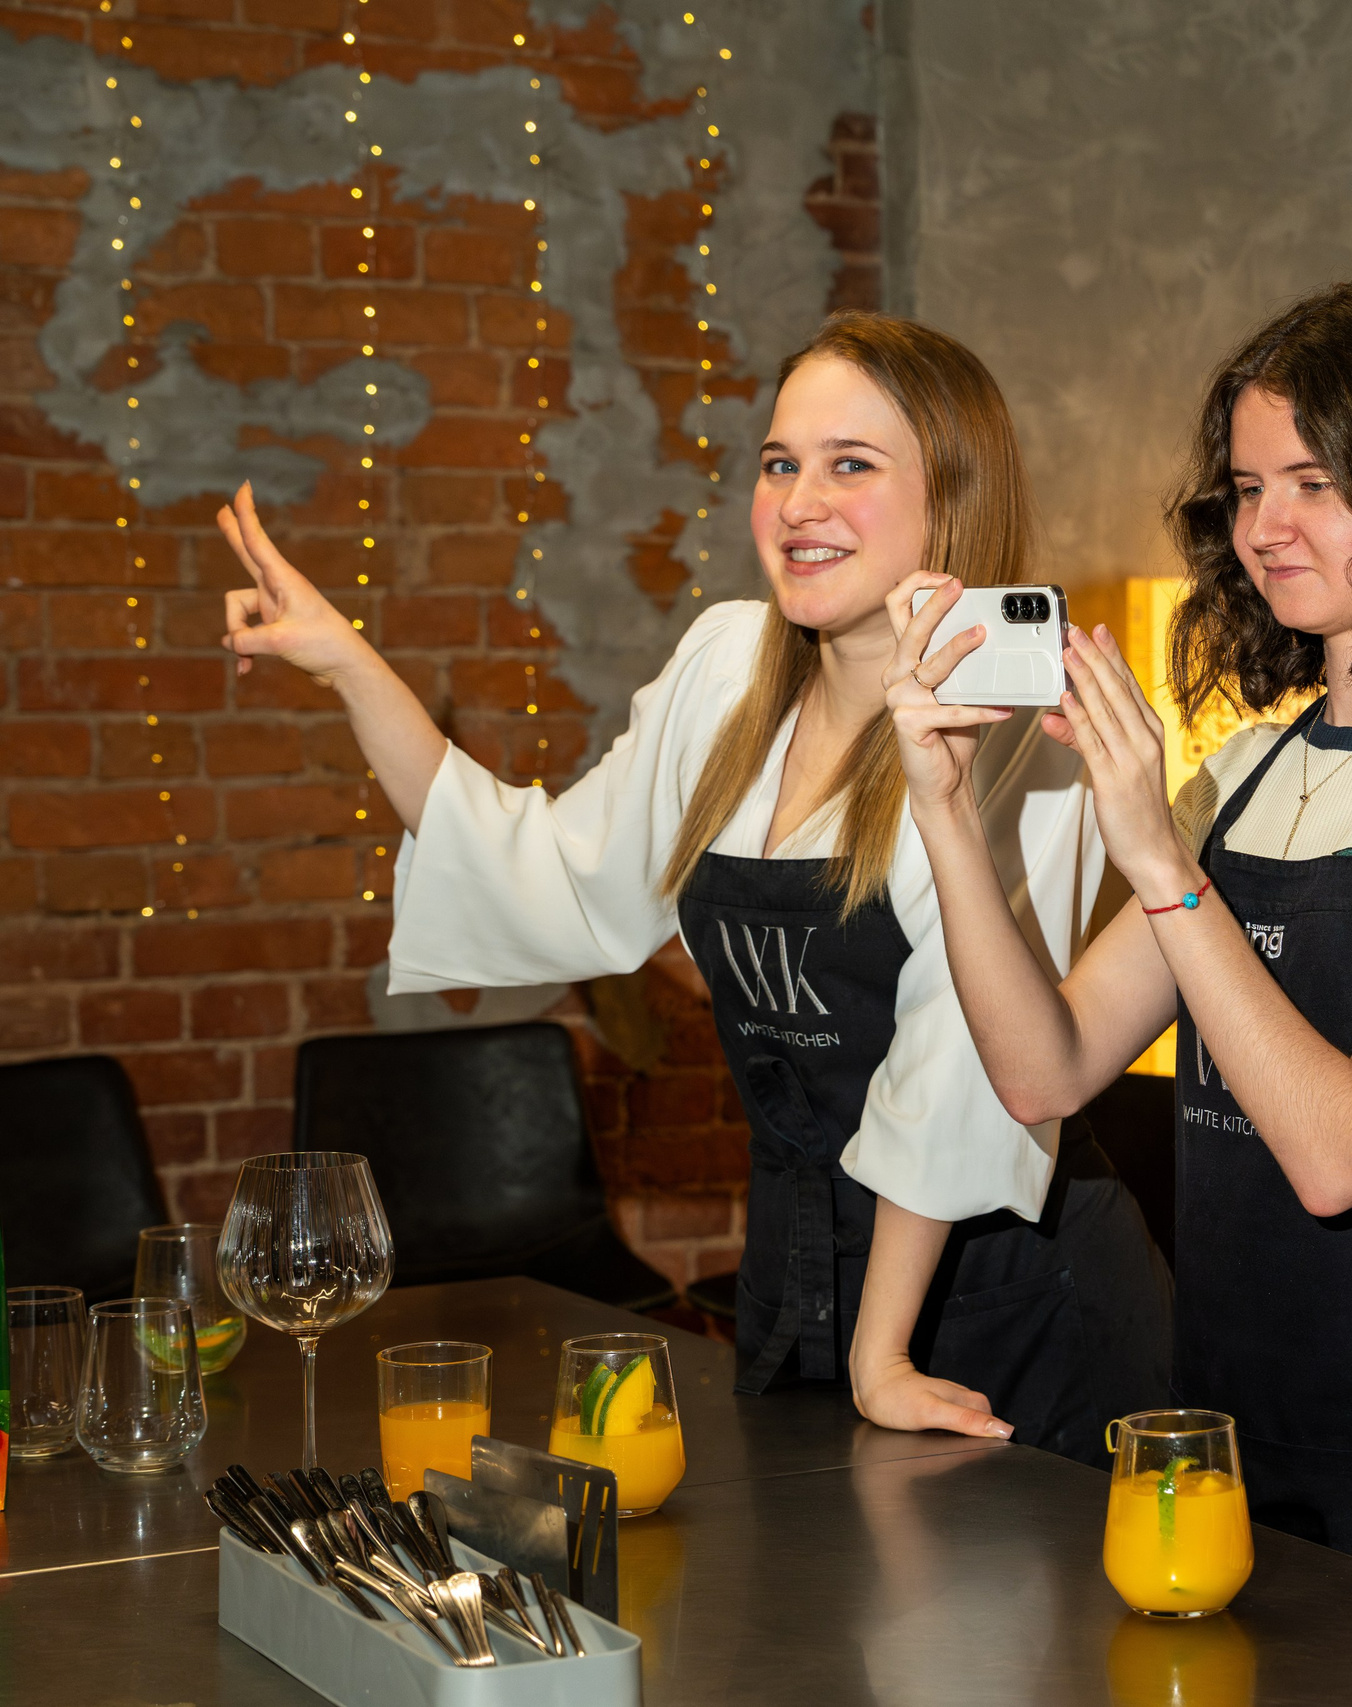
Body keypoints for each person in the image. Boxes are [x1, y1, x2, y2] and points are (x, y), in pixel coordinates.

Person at [216, 311, 1168, 1464]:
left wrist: (878, 1357)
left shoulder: (1024, 731)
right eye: (780, 464)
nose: (798, 502)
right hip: (800, 1284)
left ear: (952, 498)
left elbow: (960, 1065)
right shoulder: (727, 667)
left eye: (850, 466)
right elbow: (545, 867)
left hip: (999, 1306)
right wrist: (346, 665)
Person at [886, 275, 1352, 1556]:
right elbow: (1040, 1070)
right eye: (1246, 487)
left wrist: (1163, 860)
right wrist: (944, 811)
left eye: (1314, 485)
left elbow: (1342, 1153)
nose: (1265, 526)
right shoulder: (1246, 769)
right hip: (1220, 1438)